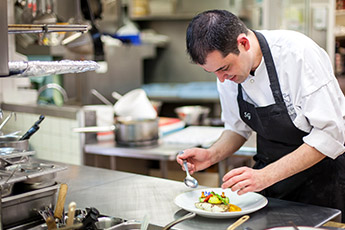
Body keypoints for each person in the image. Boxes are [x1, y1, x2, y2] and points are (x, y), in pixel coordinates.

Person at [176, 9, 345, 220]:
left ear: (243, 43)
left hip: (322, 185)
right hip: (272, 187)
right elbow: (237, 128)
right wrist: (211, 155)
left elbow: (330, 135)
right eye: (214, 73)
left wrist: (266, 176)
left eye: (224, 68)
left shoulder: (297, 54)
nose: (221, 79)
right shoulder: (229, 75)